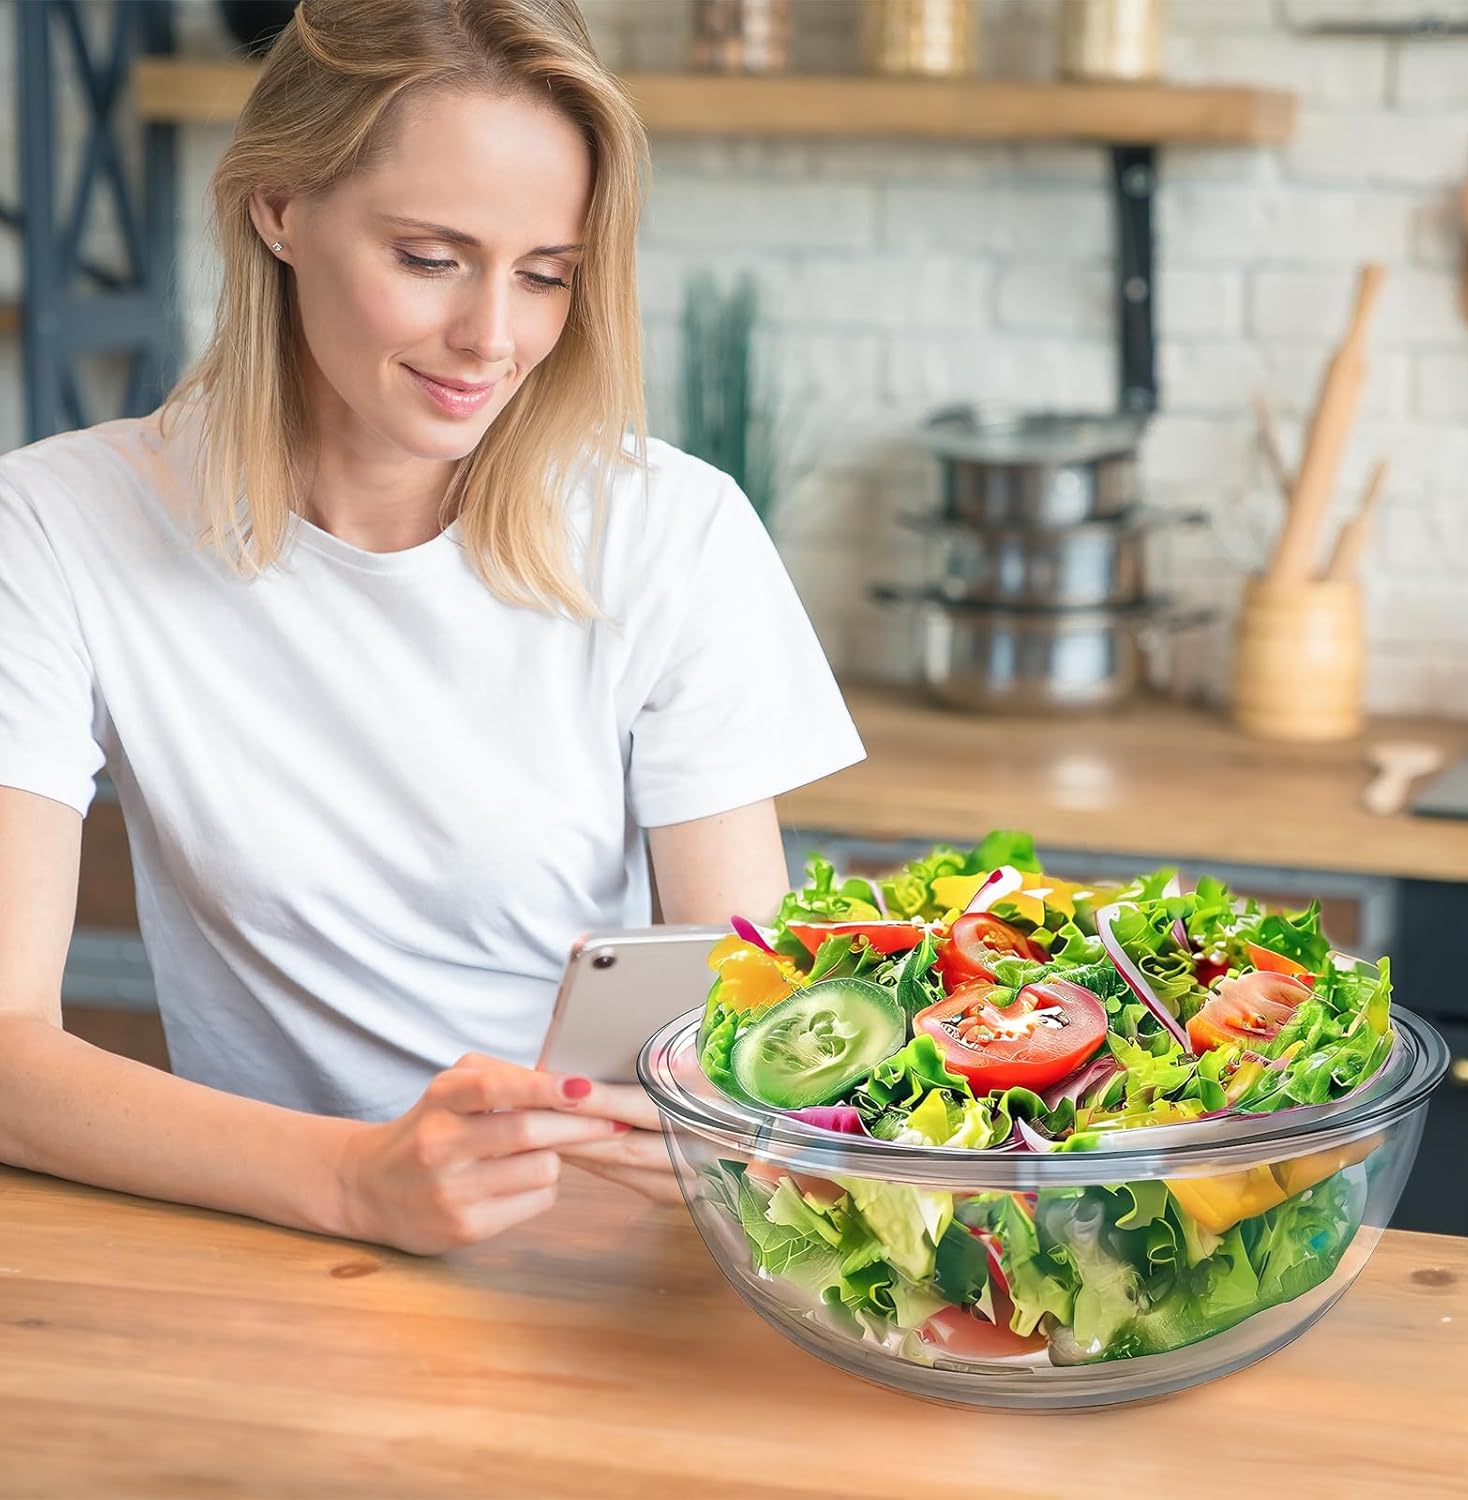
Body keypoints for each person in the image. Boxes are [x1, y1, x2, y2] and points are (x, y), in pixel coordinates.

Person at [0, 0, 864, 1257]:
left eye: (546, 275)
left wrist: (738, 1126)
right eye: (428, 258)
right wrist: (359, 1180)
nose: (492, 339)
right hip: (267, 1238)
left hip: (595, 1256)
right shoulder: (57, 525)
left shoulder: (675, 533)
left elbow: (760, 1032)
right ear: (279, 208)